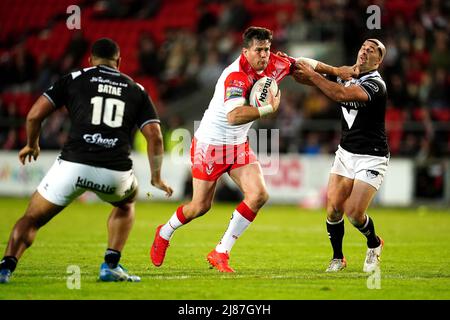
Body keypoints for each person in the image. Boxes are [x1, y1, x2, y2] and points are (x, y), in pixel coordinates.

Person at [150, 26, 357, 273]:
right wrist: (269, 109)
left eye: (267, 49)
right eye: (259, 50)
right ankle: (164, 232)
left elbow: (301, 63)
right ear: (245, 51)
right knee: (199, 207)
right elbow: (234, 115)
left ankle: (220, 252)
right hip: (211, 145)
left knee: (258, 195)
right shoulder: (235, 76)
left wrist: (335, 71)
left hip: (237, 145)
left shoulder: (274, 63)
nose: (264, 55)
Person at [0, 38, 173, 284]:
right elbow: (155, 137)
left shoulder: (74, 78)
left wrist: (32, 143)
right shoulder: (136, 89)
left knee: (31, 219)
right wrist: (156, 177)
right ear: (119, 62)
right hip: (114, 172)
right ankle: (110, 266)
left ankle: (5, 269)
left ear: (90, 60)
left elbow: (33, 116)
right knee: (126, 204)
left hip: (72, 165)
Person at [294, 39, 388, 273]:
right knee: (334, 208)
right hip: (346, 152)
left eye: (373, 50)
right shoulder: (346, 74)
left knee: (355, 214)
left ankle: (374, 243)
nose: (366, 51)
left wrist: (317, 76)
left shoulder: (376, 85)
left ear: (379, 60)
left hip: (371, 156)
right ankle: (338, 258)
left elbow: (339, 95)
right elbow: (303, 72)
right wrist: (291, 66)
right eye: (363, 47)